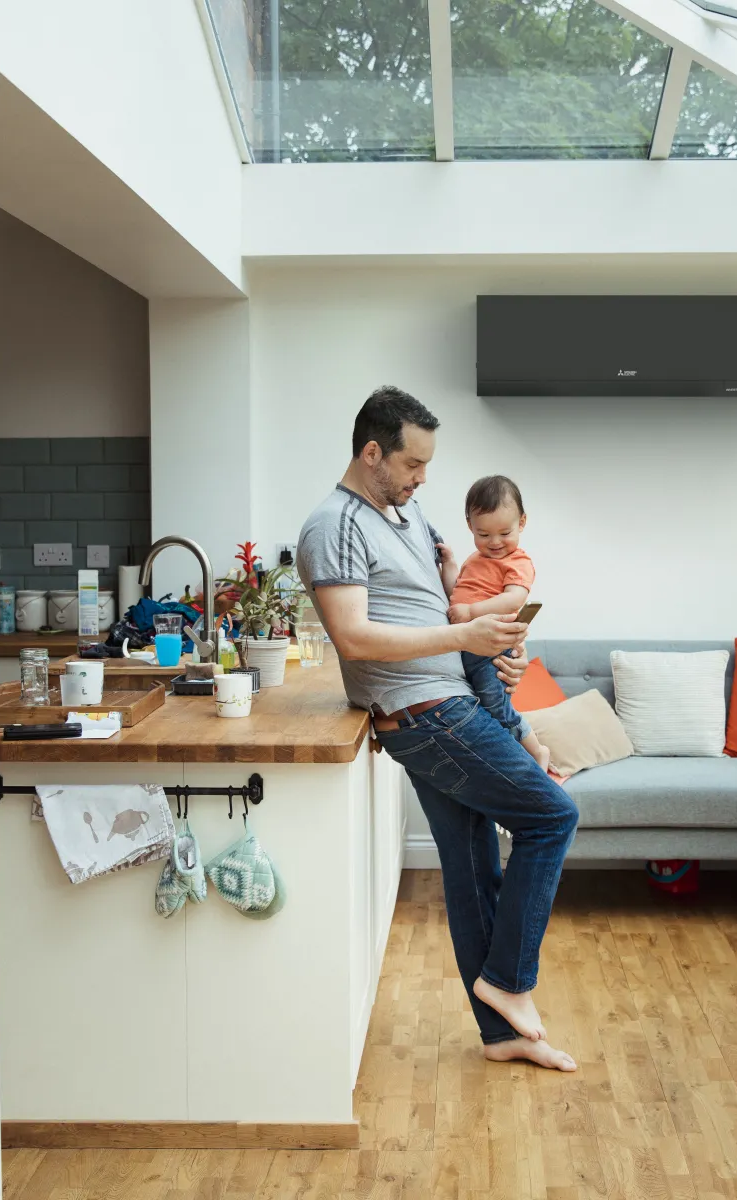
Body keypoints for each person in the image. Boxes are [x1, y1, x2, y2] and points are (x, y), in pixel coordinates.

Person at [296, 386, 580, 1072]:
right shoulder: (334, 526)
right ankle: (508, 980)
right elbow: (354, 637)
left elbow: (449, 601)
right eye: (413, 463)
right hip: (425, 715)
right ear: (372, 454)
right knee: (552, 816)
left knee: (473, 864)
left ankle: (500, 1032)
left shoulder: (406, 513)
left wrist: (488, 648)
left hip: (449, 700)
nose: (424, 478)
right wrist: (463, 634)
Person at [437, 474, 551, 774]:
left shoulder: (518, 561)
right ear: (470, 527)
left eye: (505, 532)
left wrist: (472, 611)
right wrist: (448, 566)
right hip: (469, 646)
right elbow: (455, 598)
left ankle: (536, 752)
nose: (495, 542)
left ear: (522, 522)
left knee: (496, 707)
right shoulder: (475, 560)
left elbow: (514, 599)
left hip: (494, 650)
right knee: (481, 710)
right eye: (483, 534)